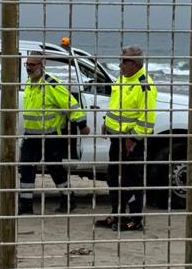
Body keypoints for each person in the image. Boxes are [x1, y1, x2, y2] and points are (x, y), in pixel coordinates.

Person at [18, 52, 88, 214]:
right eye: (27, 64)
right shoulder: (29, 83)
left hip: (51, 136)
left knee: (55, 168)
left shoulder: (52, 85)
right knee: (26, 168)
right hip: (31, 135)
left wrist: (82, 125)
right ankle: (25, 206)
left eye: (32, 65)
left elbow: (72, 105)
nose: (29, 67)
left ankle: (68, 199)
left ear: (42, 66)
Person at [97, 44, 157, 231]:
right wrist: (107, 122)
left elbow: (147, 118)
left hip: (132, 143)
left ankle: (135, 219)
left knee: (131, 182)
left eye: (125, 62)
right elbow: (116, 105)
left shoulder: (144, 85)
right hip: (117, 140)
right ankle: (117, 215)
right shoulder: (122, 79)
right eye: (121, 61)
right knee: (114, 179)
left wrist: (134, 139)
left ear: (136, 64)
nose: (121, 65)